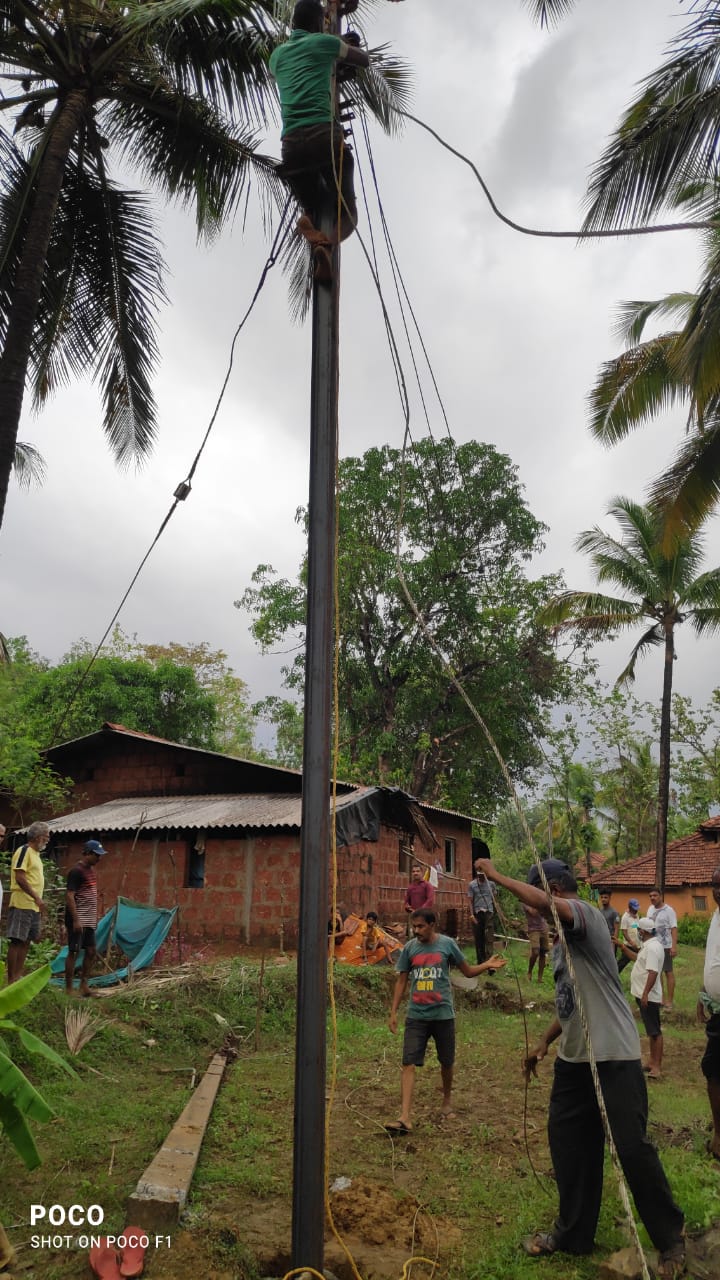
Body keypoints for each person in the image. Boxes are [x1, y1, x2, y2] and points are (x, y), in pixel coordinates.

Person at [473, 855, 685, 1277]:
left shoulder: (584, 915)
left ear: (550, 888)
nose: (525, 906)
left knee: (631, 1148)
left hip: (615, 1057)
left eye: (533, 895)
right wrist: (544, 1043)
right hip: (574, 1064)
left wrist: (497, 876)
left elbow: (552, 906)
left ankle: (670, 1239)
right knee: (571, 1148)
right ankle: (573, 1234)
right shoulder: (560, 945)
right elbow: (571, 1005)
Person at [269, 0, 370, 279]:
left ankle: (311, 228)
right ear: (318, 23)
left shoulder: (277, 56)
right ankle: (328, 243)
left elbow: (284, 70)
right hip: (324, 139)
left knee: (311, 205)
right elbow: (363, 60)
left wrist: (329, 41)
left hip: (291, 148)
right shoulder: (323, 43)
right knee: (348, 214)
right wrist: (338, 43)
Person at [386, 908, 506, 1133]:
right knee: (408, 1062)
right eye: (415, 926)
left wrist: (487, 965)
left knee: (446, 1062)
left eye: (421, 926)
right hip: (416, 1016)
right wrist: (393, 1012)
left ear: (432, 924)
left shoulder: (448, 945)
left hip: (442, 1015)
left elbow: (468, 972)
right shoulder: (410, 949)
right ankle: (404, 1117)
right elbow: (402, 981)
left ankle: (447, 1102)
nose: (416, 930)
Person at [6, 821, 49, 984]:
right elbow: (20, 877)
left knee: (26, 940)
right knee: (17, 940)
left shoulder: (36, 855)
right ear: (37, 837)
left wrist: (37, 901)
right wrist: (36, 897)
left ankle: (18, 976)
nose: (47, 840)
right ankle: (11, 979)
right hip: (22, 903)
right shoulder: (24, 851)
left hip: (33, 906)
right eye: (46, 837)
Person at [622, 917, 665, 1079]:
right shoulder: (648, 947)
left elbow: (653, 972)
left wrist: (646, 993)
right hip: (644, 994)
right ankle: (652, 1062)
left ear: (643, 931)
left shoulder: (652, 948)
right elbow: (638, 959)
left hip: (649, 996)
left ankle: (656, 1066)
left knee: (655, 1032)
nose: (638, 932)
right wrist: (622, 947)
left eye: (639, 930)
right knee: (651, 1030)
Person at [64, 839, 108, 997]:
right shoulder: (76, 871)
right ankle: (69, 989)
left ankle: (84, 985)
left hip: (88, 919)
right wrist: (76, 919)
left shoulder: (90, 870)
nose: (99, 858)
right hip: (78, 918)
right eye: (97, 855)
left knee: (91, 950)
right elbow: (70, 896)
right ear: (88, 853)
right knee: (73, 952)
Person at [697, 865, 720, 1161]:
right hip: (717, 1011)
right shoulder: (715, 916)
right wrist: (703, 994)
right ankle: (719, 1133)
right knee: (713, 1070)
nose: (717, 891)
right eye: (715, 885)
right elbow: (712, 959)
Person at [648, 887, 678, 1010]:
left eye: (655, 895)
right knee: (657, 972)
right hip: (654, 945)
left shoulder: (669, 910)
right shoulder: (650, 909)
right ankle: (660, 999)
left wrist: (673, 946)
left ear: (660, 896)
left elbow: (674, 928)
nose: (652, 898)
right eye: (650, 896)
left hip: (666, 946)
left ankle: (669, 1002)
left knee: (668, 972)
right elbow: (649, 926)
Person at [468, 854, 496, 964]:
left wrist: (496, 912)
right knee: (479, 938)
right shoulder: (472, 885)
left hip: (489, 912)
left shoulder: (492, 884)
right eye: (479, 873)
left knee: (489, 938)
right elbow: (470, 901)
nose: (481, 876)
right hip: (477, 913)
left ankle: (490, 962)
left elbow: (494, 899)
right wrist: (471, 915)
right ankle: (481, 961)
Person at [523, 902, 549, 982]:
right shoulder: (525, 901)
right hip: (533, 929)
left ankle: (540, 978)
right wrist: (542, 905)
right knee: (535, 951)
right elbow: (533, 912)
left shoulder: (538, 899)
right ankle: (529, 971)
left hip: (544, 928)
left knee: (543, 953)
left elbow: (546, 913)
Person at [618, 897, 641, 972]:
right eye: (634, 908)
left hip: (638, 945)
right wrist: (631, 942)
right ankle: (613, 977)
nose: (636, 910)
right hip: (629, 945)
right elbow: (624, 932)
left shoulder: (637, 915)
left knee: (641, 962)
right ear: (630, 907)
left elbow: (636, 927)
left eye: (637, 908)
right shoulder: (625, 917)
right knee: (621, 964)